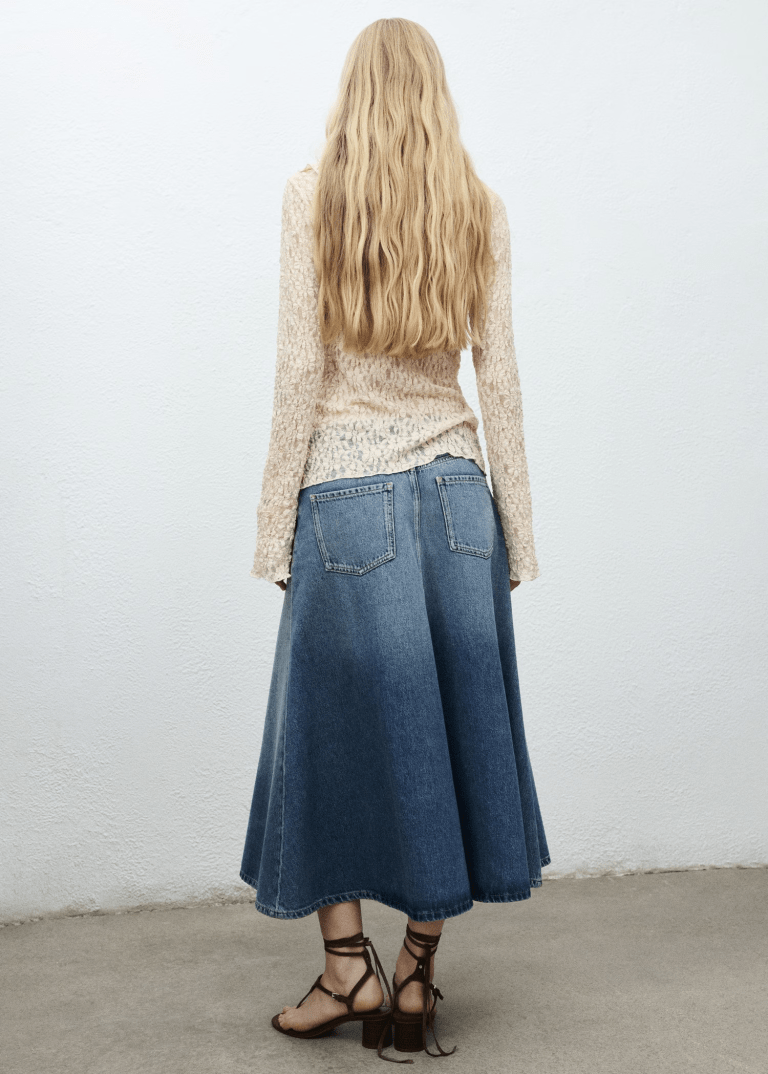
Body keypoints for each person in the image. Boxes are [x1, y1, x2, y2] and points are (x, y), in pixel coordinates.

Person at [240, 17, 550, 1063]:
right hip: (460, 497)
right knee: (451, 734)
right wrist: (518, 533)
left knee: (324, 736)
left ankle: (348, 971)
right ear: (435, 96)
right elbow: (499, 377)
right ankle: (414, 975)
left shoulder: (312, 196)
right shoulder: (478, 207)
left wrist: (273, 529)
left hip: (347, 497)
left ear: (354, 92)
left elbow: (300, 371)